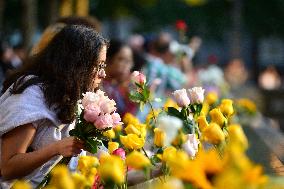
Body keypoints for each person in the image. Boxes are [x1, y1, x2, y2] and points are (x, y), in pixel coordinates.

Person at [0, 25, 108, 188]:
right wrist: (56, 148)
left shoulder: (70, 95)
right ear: (76, 64)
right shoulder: (31, 95)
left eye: (103, 66)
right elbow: (8, 167)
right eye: (98, 66)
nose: (103, 74)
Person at [102, 39, 137, 117]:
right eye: (121, 59)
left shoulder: (119, 86)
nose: (126, 66)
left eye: (129, 61)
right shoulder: (99, 87)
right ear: (107, 60)